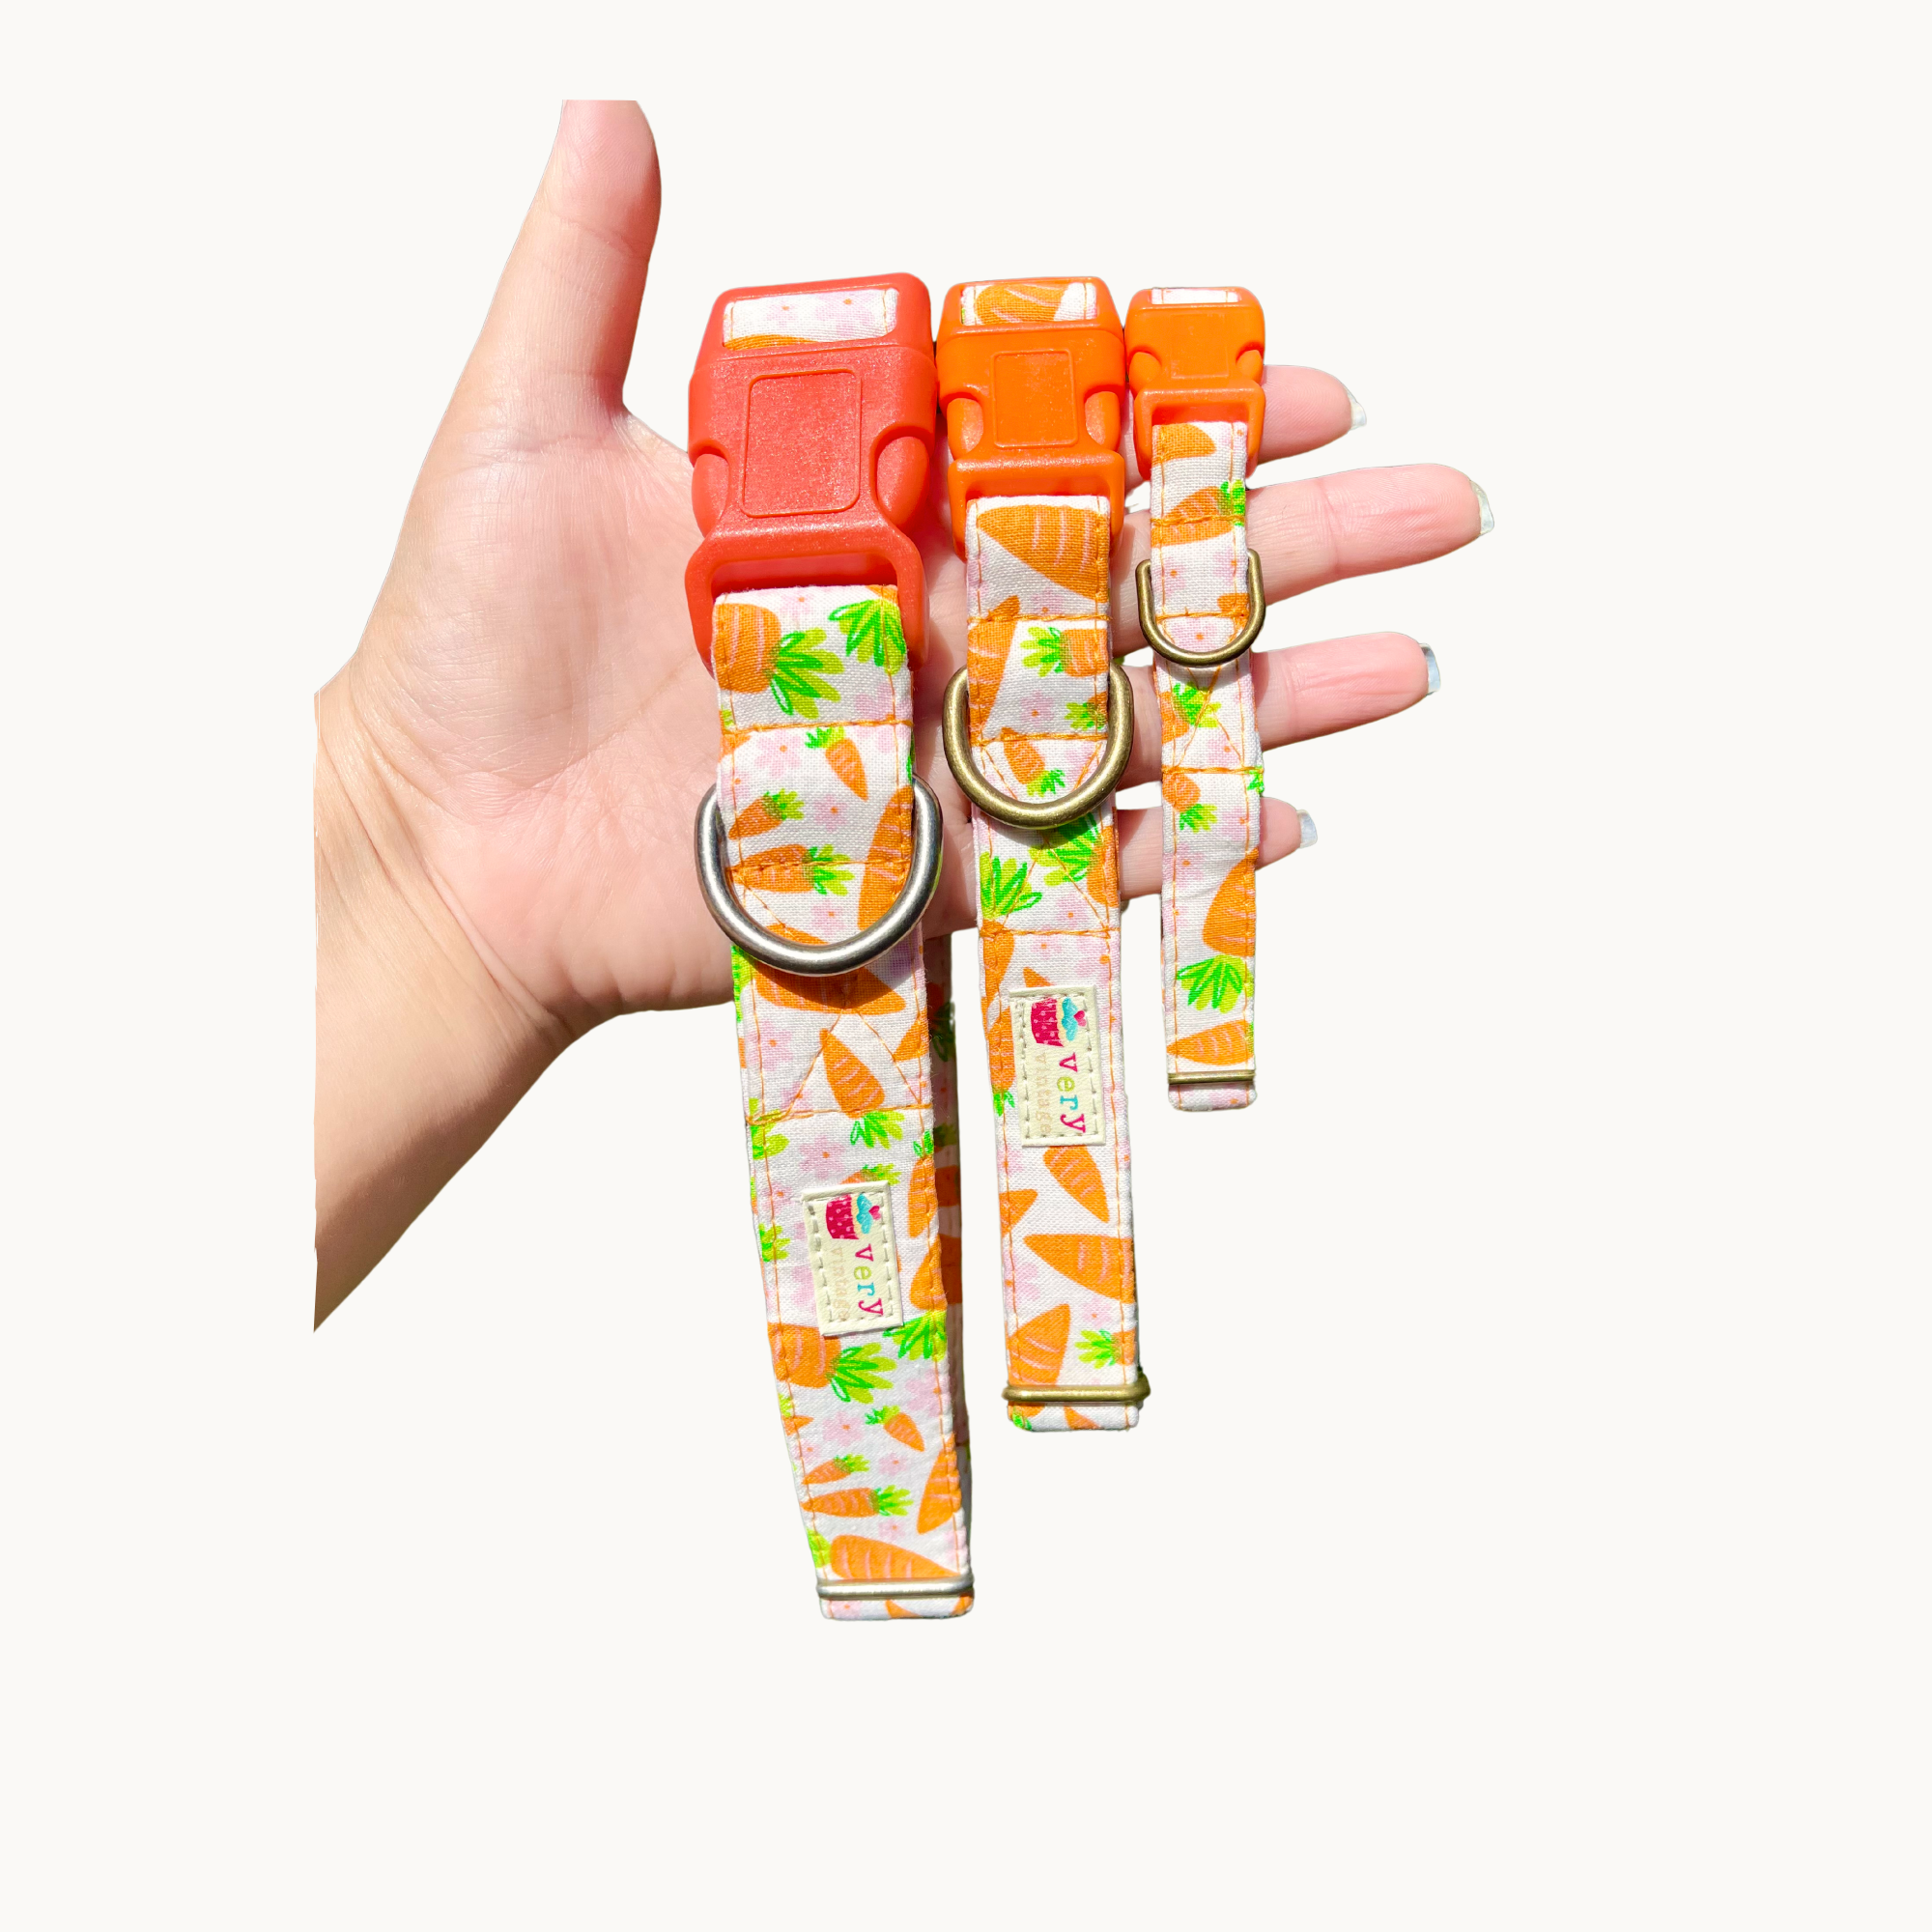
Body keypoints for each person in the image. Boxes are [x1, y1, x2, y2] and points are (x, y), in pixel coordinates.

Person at [314, 100, 1492, 1325]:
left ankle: (1064, 1357)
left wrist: (413, 861)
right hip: (861, 709)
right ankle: (1061, 1360)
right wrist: (413, 851)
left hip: (875, 712)